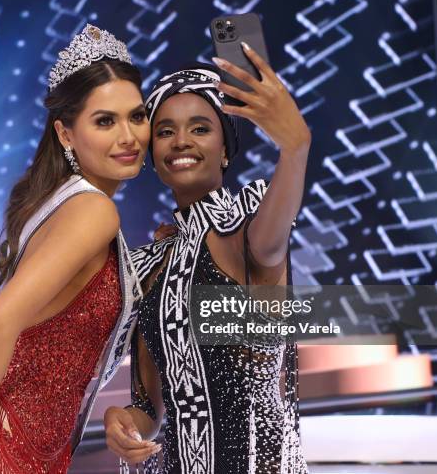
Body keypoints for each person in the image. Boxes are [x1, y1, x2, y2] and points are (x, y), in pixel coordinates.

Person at [0, 25, 150, 474]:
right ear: (66, 134)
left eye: (136, 116)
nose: (129, 136)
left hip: (15, 443)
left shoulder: (64, 202)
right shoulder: (94, 211)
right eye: (105, 121)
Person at [104, 46, 311, 474]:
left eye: (200, 128)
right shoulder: (148, 266)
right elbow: (149, 408)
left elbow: (272, 243)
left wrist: (295, 146)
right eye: (165, 131)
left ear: (224, 149)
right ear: (155, 159)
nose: (181, 141)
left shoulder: (246, 231)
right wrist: (124, 421)